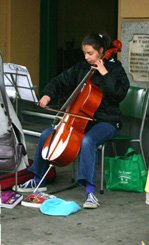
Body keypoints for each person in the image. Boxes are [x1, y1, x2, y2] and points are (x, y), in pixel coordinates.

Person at [13, 33, 130, 209]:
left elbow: (119, 94)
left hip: (107, 121)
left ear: (101, 51)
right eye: (85, 53)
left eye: (90, 53)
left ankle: (90, 192)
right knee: (47, 134)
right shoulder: (82, 68)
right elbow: (61, 81)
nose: (86, 57)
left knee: (88, 140)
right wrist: (47, 95)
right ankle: (38, 179)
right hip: (82, 120)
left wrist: (105, 74)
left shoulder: (115, 69)